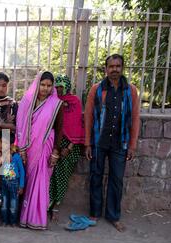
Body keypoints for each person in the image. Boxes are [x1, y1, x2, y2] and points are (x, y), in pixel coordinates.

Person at [84, 54, 140, 232]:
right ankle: (94, 213)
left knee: (117, 179)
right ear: (105, 68)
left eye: (118, 66)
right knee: (95, 176)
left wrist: (132, 145)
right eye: (111, 66)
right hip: (99, 142)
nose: (114, 69)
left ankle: (113, 216)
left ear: (122, 68)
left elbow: (136, 118)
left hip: (120, 143)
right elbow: (88, 117)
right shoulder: (97, 89)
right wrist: (87, 143)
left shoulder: (130, 90)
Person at [16, 71, 64, 230]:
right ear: (37, 84)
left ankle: (37, 219)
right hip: (29, 147)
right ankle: (24, 216)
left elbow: (59, 129)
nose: (45, 88)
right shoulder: (27, 102)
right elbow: (21, 125)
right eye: (42, 84)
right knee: (27, 180)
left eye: (49, 85)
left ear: (52, 87)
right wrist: (21, 147)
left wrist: (56, 152)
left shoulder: (56, 104)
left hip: (45, 146)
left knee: (41, 180)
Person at [48, 74, 85, 222]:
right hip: (54, 143)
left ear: (68, 87)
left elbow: (76, 125)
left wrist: (68, 147)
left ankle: (56, 206)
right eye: (57, 87)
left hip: (70, 146)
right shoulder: (52, 101)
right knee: (50, 175)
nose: (59, 90)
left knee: (62, 177)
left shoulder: (74, 102)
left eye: (62, 87)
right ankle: (47, 203)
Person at [0, 143, 25, 227]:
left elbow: (22, 172)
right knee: (4, 204)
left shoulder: (16, 157)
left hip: (14, 184)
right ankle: (4, 221)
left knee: (13, 204)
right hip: (3, 183)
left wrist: (21, 186)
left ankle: (13, 222)